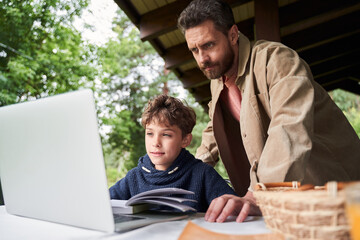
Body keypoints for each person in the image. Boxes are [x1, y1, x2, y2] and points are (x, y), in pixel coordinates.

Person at [177, 0, 360, 223]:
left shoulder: (277, 60)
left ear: (233, 35)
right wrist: (185, 174)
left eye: (208, 45)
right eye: (194, 50)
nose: (202, 59)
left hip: (340, 190)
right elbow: (213, 132)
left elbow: (289, 127)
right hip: (299, 204)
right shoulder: (218, 81)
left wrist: (259, 195)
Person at [109, 94, 237, 212]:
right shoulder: (134, 177)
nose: (155, 143)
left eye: (166, 134)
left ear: (185, 140)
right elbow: (102, 203)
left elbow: (233, 207)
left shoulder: (203, 174)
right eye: (150, 133)